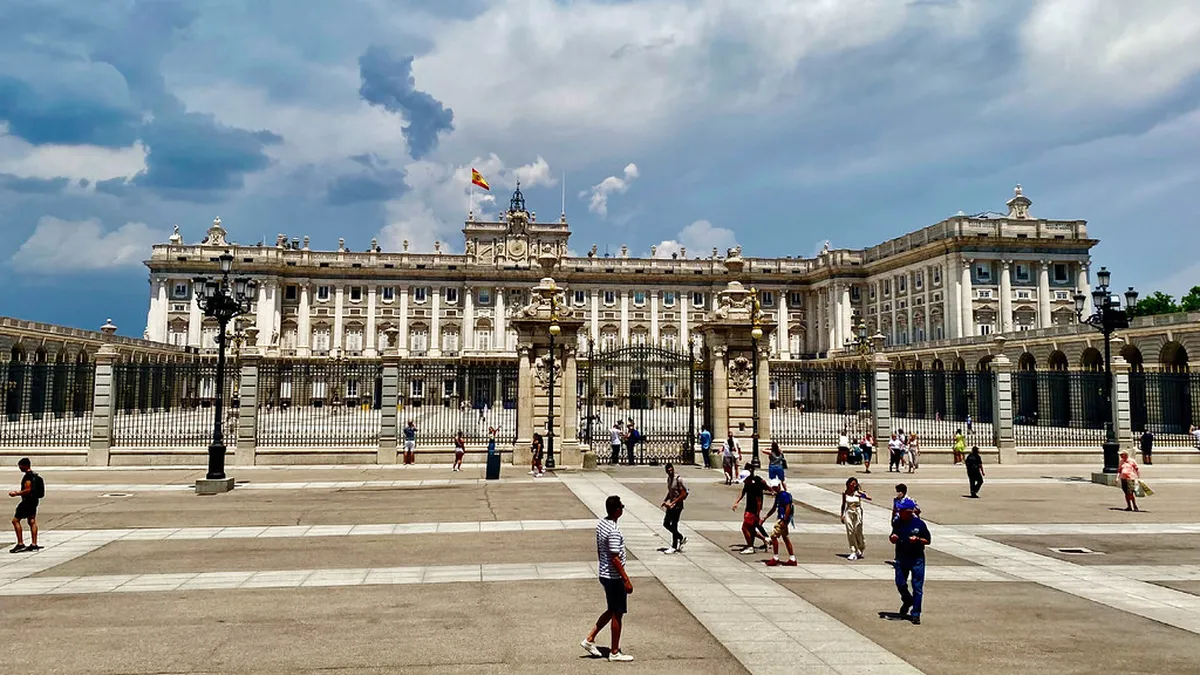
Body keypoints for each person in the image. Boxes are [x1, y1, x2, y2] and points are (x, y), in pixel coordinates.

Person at [582, 495, 635, 662]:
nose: (623, 509)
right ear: (617, 510)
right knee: (617, 613)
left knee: (612, 609)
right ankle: (614, 652)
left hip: (604, 573)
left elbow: (602, 550)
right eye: (622, 506)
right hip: (613, 577)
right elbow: (614, 557)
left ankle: (589, 639)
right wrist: (625, 579)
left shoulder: (602, 524)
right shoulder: (613, 530)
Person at [890, 498, 931, 624]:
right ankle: (907, 600)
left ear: (908, 511)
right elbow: (893, 536)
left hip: (916, 558)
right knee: (900, 583)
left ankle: (916, 613)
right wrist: (893, 538)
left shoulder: (919, 524)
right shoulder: (897, 522)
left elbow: (928, 540)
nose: (899, 512)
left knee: (917, 587)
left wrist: (918, 540)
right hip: (901, 557)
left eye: (901, 510)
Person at [733, 464, 769, 554]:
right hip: (749, 508)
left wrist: (757, 513)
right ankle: (765, 539)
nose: (744, 482)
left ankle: (750, 547)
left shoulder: (756, 484)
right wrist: (736, 502)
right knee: (751, 528)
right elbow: (743, 492)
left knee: (745, 528)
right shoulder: (747, 484)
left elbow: (759, 501)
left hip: (753, 510)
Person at [9, 458, 41, 553]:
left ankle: (20, 543)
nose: (20, 468)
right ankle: (34, 544)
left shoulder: (28, 477)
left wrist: (16, 493)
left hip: (27, 501)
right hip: (34, 501)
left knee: (15, 521)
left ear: (25, 465)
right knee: (32, 521)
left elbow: (28, 490)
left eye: (20, 466)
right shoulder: (35, 475)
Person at [763, 478, 796, 566]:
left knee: (773, 537)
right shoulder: (778, 495)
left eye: (775, 487)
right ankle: (792, 558)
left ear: (779, 485)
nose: (774, 489)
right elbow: (774, 508)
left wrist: (784, 520)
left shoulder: (784, 495)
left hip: (782, 519)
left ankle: (775, 558)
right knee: (785, 538)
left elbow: (788, 508)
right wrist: (765, 517)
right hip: (781, 518)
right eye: (773, 487)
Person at [840, 477, 871, 560]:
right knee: (850, 531)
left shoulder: (858, 492)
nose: (853, 485)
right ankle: (853, 550)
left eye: (855, 483)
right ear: (848, 484)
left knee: (858, 530)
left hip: (857, 511)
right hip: (848, 511)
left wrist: (862, 494)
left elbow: (869, 498)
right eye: (852, 483)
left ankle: (861, 547)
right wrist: (842, 515)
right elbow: (843, 505)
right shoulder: (845, 493)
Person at [660, 463, 688, 553]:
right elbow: (671, 491)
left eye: (671, 470)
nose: (670, 472)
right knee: (666, 523)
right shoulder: (669, 479)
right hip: (671, 505)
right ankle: (680, 537)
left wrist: (673, 503)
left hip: (678, 506)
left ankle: (674, 545)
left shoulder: (678, 479)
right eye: (668, 471)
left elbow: (683, 493)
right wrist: (666, 500)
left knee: (674, 524)